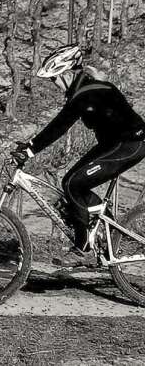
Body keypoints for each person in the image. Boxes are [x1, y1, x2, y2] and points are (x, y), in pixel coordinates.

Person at [11, 44, 145, 258]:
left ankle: (83, 248)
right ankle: (105, 226)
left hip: (130, 144)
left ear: (66, 73)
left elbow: (59, 126)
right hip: (114, 144)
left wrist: (30, 150)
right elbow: (59, 125)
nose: (54, 84)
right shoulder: (87, 90)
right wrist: (29, 147)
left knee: (73, 184)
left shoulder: (87, 94)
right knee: (70, 183)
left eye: (54, 78)